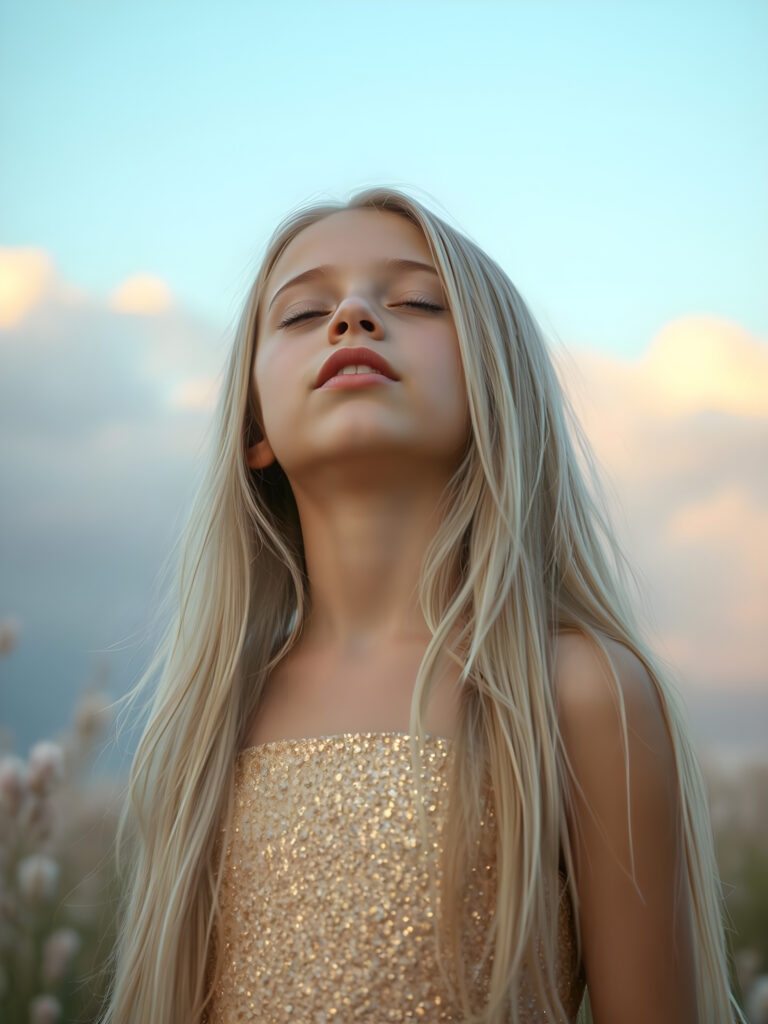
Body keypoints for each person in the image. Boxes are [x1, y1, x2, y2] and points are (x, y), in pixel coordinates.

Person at [101, 187, 744, 1023]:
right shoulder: (210, 720)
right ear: (253, 427)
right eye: (301, 313)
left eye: (414, 300)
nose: (354, 316)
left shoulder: (578, 691)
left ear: (493, 392)